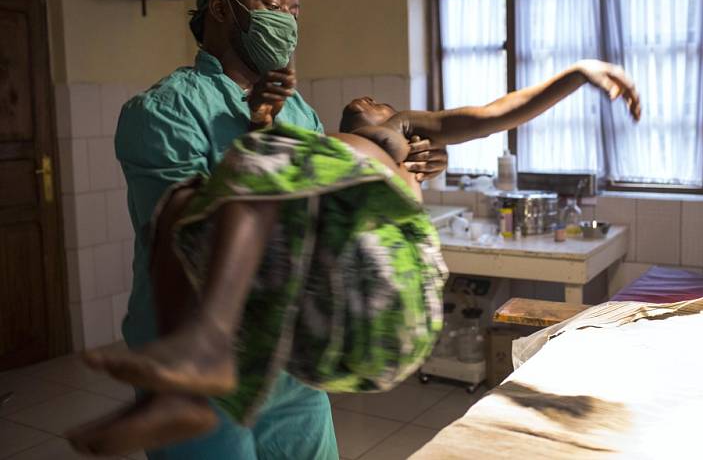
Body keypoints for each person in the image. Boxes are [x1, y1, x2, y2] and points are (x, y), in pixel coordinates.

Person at [68, 59, 640, 456]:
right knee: (182, 211)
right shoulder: (329, 157)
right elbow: (278, 229)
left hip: (388, 290)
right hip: (337, 325)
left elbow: (496, 112)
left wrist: (575, 74)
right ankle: (186, 381)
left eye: (378, 103)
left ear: (400, 123)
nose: (366, 101)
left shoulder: (397, 131)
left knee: (250, 167)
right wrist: (265, 126)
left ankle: (202, 356)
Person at [114, 0, 448, 460]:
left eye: (295, 10)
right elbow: (191, 237)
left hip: (290, 358)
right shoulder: (165, 111)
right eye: (274, 6)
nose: (289, 22)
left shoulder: (299, 112)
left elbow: (323, 213)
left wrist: (393, 173)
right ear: (222, 9)